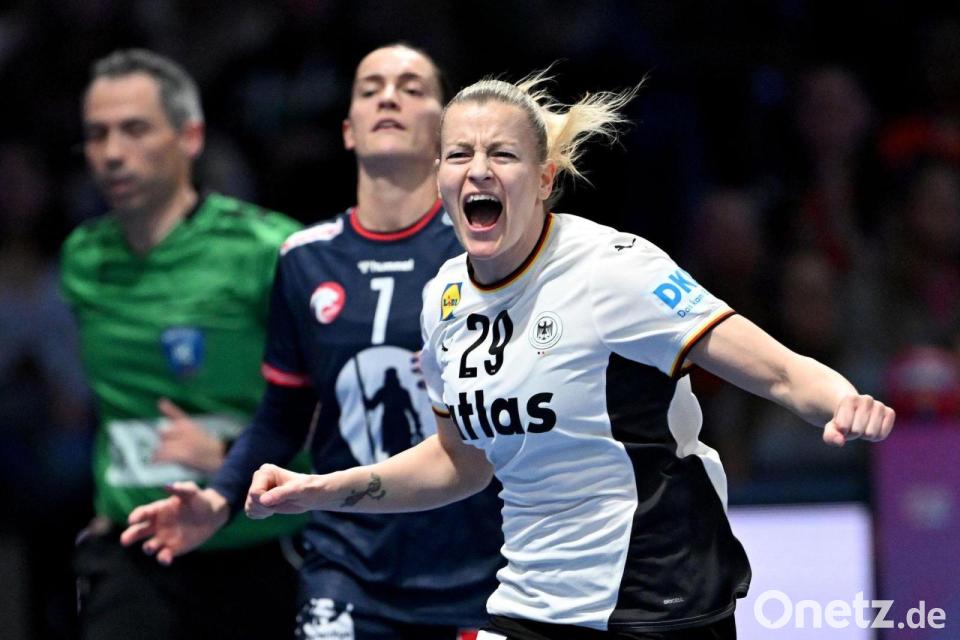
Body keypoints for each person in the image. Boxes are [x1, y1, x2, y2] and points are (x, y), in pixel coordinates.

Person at [236, 73, 897, 640]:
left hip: (657, 601)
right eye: (459, 153)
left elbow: (778, 370)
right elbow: (458, 462)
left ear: (544, 178)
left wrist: (842, 401)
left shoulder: (613, 271)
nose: (479, 169)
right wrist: (326, 490)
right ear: (440, 177)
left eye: (503, 154)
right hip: (531, 600)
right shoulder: (443, 298)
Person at [121, 44, 504, 639]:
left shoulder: (486, 253)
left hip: (480, 570)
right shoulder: (304, 259)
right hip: (346, 567)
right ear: (348, 130)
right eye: (370, 88)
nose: (388, 97)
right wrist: (219, 502)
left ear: (444, 134)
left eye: (411, 88)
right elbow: (284, 412)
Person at [62, 48, 307, 640]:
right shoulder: (82, 260)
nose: (112, 152)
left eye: (135, 129)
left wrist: (230, 454)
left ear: (190, 136)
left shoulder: (270, 250)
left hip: (260, 549)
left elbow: (332, 406)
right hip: (136, 553)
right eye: (97, 134)